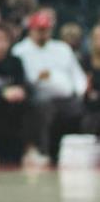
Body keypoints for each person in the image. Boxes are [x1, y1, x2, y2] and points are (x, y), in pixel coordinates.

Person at [12, 9, 87, 161]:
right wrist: (37, 78)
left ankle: (79, 153)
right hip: (38, 95)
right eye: (39, 30)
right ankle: (43, 152)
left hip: (67, 96)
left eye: (46, 30)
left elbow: (77, 74)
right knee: (44, 109)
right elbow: (21, 78)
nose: (43, 34)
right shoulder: (20, 50)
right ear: (31, 30)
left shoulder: (62, 48)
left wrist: (81, 92)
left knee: (81, 109)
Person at [0, 24, 43, 167]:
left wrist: (20, 90)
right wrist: (2, 92)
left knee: (32, 102)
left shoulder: (15, 61)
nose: (0, 44)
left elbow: (22, 82)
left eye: (4, 40)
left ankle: (30, 150)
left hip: (12, 100)